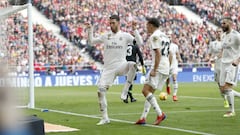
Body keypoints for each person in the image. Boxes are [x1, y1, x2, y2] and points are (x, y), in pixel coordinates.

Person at [86, 14, 143, 125]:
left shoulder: (125, 36)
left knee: (132, 64)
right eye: (110, 23)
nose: (111, 25)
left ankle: (126, 90)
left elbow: (139, 43)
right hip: (108, 69)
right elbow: (91, 41)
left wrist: (135, 30)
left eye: (113, 23)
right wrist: (90, 29)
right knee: (100, 92)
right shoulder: (105, 36)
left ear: (118, 23)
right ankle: (105, 118)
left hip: (121, 65)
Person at [135, 17, 171, 125]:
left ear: (151, 25)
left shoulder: (154, 36)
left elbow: (158, 53)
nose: (146, 27)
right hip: (166, 66)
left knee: (145, 91)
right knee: (150, 93)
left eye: (147, 25)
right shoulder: (165, 36)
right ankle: (143, 118)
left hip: (158, 67)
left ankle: (160, 114)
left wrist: (154, 70)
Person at [219, 17, 240, 117]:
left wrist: (238, 60)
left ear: (230, 23)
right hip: (223, 63)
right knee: (223, 89)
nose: (222, 25)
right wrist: (220, 56)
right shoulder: (223, 35)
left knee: (228, 87)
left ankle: (232, 111)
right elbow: (224, 48)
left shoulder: (236, 35)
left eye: (224, 23)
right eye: (221, 23)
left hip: (233, 63)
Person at [208, 28, 229, 108]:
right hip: (217, 67)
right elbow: (209, 54)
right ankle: (225, 99)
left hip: (225, 65)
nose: (218, 33)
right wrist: (209, 58)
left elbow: (223, 52)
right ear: (215, 33)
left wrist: (215, 58)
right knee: (220, 85)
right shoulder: (212, 43)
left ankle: (228, 98)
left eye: (220, 31)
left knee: (225, 84)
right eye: (217, 32)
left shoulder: (225, 42)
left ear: (222, 33)